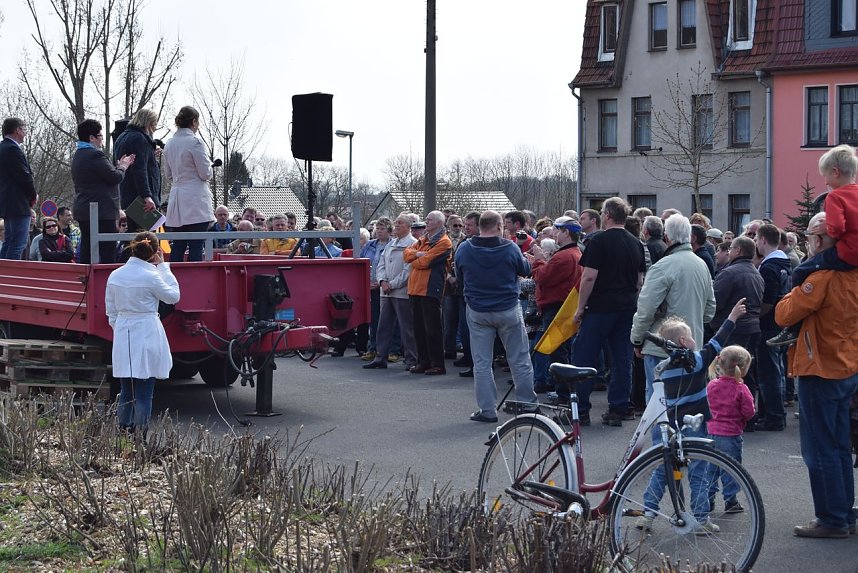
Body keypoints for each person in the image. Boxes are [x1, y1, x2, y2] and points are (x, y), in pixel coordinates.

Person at [775, 212, 858, 539]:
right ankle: (844, 512)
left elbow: (784, 314)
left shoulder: (820, 278)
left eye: (810, 237)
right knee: (839, 446)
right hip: (846, 366)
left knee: (820, 448)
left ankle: (831, 518)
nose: (808, 243)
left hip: (819, 368)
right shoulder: (852, 275)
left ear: (821, 240)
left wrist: (795, 290)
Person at [636, 298, 747, 533]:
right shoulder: (696, 361)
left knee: (662, 470)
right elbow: (719, 341)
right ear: (685, 341)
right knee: (700, 471)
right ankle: (700, 518)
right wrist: (733, 317)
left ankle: (647, 513)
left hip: (669, 427)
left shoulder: (662, 368)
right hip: (695, 427)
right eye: (693, 336)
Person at [769, 144, 858, 348]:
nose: (825, 181)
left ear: (835, 172)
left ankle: (792, 329)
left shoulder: (835, 196)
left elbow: (836, 229)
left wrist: (828, 226)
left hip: (845, 255)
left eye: (825, 176)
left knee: (801, 270)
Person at [455, 210, 538, 422]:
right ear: (499, 226)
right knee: (519, 359)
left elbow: (460, 277)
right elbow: (525, 269)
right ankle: (527, 405)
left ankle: (487, 410)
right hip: (507, 307)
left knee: (482, 362)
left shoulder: (464, 248)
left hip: (477, 308)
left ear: (480, 226)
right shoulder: (510, 247)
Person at [574, 197, 646, 426]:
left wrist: (579, 307)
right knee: (622, 359)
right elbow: (639, 280)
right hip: (626, 307)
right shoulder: (636, 243)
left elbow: (589, 276)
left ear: (606, 215)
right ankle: (618, 407)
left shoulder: (599, 241)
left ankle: (581, 410)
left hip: (600, 307)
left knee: (584, 357)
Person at [106, 231, 180, 433]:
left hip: (124, 329)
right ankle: (140, 434)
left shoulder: (115, 274)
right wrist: (164, 267)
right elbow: (173, 297)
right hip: (147, 328)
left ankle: (122, 431)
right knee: (145, 391)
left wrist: (119, 326)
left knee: (126, 389)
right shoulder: (152, 275)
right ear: (156, 252)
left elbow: (110, 310)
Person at [527, 216, 583, 395]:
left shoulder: (564, 256)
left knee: (557, 352)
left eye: (558, 230)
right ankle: (564, 391)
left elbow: (543, 277)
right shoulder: (574, 253)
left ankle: (563, 393)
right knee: (562, 350)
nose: (555, 234)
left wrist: (538, 260)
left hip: (556, 307)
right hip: (562, 305)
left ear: (566, 232)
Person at [72, 119, 135, 264]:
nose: (101, 140)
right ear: (91, 138)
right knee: (108, 249)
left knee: (88, 247)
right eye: (100, 136)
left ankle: (88, 282)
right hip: (101, 211)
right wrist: (123, 166)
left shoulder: (78, 154)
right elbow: (114, 177)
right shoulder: (95, 155)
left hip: (84, 209)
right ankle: (105, 281)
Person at [364, 214, 419, 370]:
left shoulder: (414, 244)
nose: (396, 226)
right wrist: (382, 281)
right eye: (395, 223)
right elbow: (380, 264)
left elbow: (409, 270)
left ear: (409, 226)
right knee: (383, 326)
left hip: (402, 292)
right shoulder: (391, 243)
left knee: (406, 327)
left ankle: (411, 359)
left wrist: (392, 284)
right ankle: (381, 357)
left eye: (400, 223)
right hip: (386, 292)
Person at [705, 345, 756, 515]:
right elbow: (749, 412)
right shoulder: (741, 389)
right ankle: (731, 500)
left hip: (710, 432)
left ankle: (708, 500)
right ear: (742, 368)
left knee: (710, 469)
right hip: (731, 434)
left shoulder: (712, 385)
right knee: (731, 469)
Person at [403, 210, 452, 375]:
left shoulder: (444, 242)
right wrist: (417, 254)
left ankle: (437, 364)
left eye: (429, 220)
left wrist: (415, 259)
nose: (426, 222)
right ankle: (423, 362)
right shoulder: (424, 239)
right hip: (415, 288)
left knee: (433, 329)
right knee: (418, 328)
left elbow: (425, 262)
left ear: (439, 223)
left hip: (431, 289)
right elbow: (406, 254)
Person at [163, 106, 213, 262]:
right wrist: (210, 165)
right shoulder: (195, 142)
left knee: (178, 244)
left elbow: (168, 174)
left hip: (177, 198)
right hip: (195, 199)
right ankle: (195, 282)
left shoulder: (169, 143)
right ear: (194, 121)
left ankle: (175, 278)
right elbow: (205, 173)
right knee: (197, 244)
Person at [753, 223, 791, 431]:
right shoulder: (784, 263)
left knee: (768, 374)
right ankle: (771, 413)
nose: (756, 243)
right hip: (780, 322)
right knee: (776, 371)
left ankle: (773, 417)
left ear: (763, 240)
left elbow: (767, 300)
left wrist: (755, 315)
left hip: (768, 324)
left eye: (757, 239)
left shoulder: (769, 267)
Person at [0, 118, 37, 260]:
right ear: (18, 130)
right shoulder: (12, 149)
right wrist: (33, 195)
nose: (25, 133)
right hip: (18, 203)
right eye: (24, 129)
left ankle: (3, 273)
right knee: (18, 243)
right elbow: (24, 176)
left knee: (9, 241)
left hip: (8, 202)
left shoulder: (3, 147)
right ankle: (9, 276)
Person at [114, 108, 161, 214]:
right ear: (149, 123)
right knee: (144, 229)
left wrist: (150, 155)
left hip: (126, 195)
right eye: (154, 124)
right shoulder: (140, 139)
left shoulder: (122, 137)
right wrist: (147, 196)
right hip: (140, 200)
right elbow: (140, 170)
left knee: (132, 229)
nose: (155, 128)